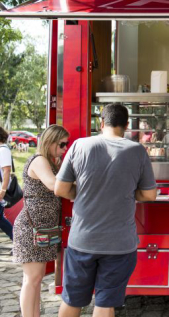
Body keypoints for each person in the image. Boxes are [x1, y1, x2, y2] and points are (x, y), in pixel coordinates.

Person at [54, 104, 157, 317]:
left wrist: (84, 192)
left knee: (72, 299)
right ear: (126, 125)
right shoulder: (137, 150)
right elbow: (149, 195)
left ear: (101, 123)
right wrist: (126, 193)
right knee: (104, 303)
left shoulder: (79, 146)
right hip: (119, 244)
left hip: (82, 241)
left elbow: (60, 189)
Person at [12, 125, 70, 317]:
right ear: (50, 142)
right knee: (32, 279)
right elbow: (55, 186)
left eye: (66, 144)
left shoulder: (51, 161)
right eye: (62, 144)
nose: (64, 148)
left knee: (36, 279)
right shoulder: (39, 160)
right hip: (32, 227)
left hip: (43, 228)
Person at [0, 127, 13, 240]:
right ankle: (17, 240)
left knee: (1, 220)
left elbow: (6, 171)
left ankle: (18, 240)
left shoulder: (3, 150)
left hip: (0, 190)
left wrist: (3, 191)